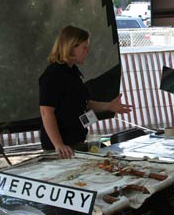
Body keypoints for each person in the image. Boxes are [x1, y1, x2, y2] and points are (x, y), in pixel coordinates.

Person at [39, 25, 132, 159]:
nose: (87, 51)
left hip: (75, 142)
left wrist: (108, 106)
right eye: (84, 47)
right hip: (61, 148)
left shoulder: (73, 72)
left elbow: (84, 102)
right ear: (71, 47)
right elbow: (46, 111)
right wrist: (58, 144)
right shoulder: (53, 74)